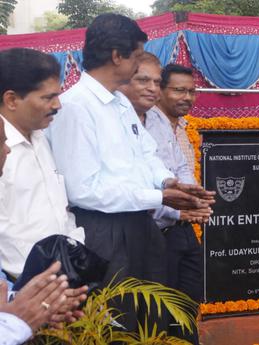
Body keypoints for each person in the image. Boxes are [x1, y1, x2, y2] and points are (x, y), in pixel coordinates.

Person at [45, 13, 210, 332]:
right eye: (136, 58)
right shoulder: (77, 107)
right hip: (103, 233)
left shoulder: (121, 104)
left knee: (152, 322)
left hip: (140, 225)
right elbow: (84, 190)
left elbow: (146, 154)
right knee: (118, 325)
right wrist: (159, 195)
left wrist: (167, 181)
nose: (141, 67)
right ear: (117, 57)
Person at [118, 56, 211, 344]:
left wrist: (193, 198)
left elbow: (181, 167)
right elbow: (135, 185)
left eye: (156, 82)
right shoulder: (123, 123)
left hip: (182, 231)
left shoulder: (165, 122)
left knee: (187, 303)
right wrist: (178, 211)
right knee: (158, 312)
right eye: (145, 81)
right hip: (151, 233)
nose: (152, 89)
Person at [0, 118, 87, 345]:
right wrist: (18, 320)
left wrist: (34, 303)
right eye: (1, 143)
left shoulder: (40, 140)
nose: (8, 151)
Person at [0, 48, 85, 280]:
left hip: (61, 275)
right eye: (48, 97)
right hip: (21, 287)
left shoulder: (40, 137)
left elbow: (60, 210)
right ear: (12, 100)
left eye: (58, 95)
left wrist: (71, 259)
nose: (58, 105)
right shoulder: (3, 150)